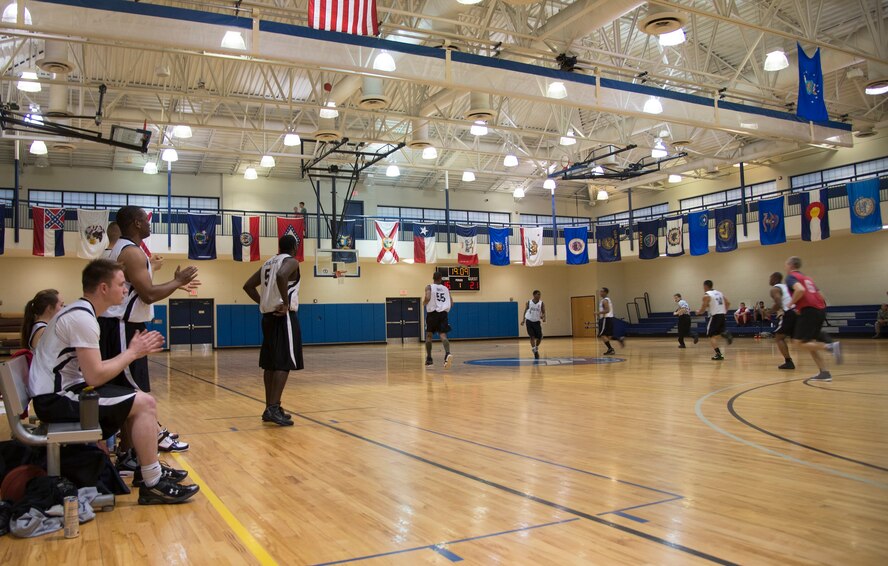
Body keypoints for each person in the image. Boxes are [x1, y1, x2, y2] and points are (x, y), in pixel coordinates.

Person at [29, 259, 199, 504]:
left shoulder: (82, 312)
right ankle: (152, 482)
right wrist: (133, 352)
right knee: (145, 403)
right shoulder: (82, 319)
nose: (126, 289)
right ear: (103, 288)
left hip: (59, 393)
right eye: (121, 284)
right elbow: (95, 376)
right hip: (56, 399)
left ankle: (146, 470)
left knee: (133, 396)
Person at [98, 206, 198, 456]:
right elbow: (149, 294)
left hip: (123, 326)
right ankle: (143, 446)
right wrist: (178, 282)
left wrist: (170, 281)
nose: (149, 222)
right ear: (136, 223)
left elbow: (143, 288)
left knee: (127, 394)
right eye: (145, 219)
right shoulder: (131, 252)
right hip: (123, 327)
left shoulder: (126, 250)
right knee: (134, 392)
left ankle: (128, 451)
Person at [243, 234, 304, 426]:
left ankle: (271, 407)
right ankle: (273, 408)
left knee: (270, 364)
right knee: (283, 363)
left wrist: (263, 301)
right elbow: (281, 275)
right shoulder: (291, 261)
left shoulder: (268, 263)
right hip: (282, 317)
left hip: (268, 318)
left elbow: (248, 286)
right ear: (294, 247)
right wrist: (285, 304)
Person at [784, 256, 841, 381]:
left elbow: (800, 290)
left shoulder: (791, 277)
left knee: (797, 342)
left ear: (791, 265)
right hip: (820, 309)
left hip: (809, 310)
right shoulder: (807, 278)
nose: (785, 267)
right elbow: (820, 295)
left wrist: (791, 303)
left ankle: (830, 347)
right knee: (809, 342)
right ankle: (824, 372)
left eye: (786, 264)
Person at [697, 280, 733, 360]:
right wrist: (724, 312)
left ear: (705, 286)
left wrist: (698, 312)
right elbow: (728, 303)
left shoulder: (707, 295)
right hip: (722, 315)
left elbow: (703, 308)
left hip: (715, 316)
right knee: (716, 335)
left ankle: (719, 354)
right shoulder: (719, 293)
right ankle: (724, 334)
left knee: (711, 336)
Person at [423, 270, 453, 368]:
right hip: (443, 314)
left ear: (433, 278)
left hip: (432, 314)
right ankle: (447, 353)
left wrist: (424, 303)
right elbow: (452, 303)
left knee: (429, 336)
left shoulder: (429, 287)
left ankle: (429, 358)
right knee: (443, 335)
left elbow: (427, 297)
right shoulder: (446, 289)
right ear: (441, 279)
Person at [769, 272, 796, 370]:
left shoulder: (775, 288)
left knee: (779, 337)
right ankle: (827, 343)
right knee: (799, 340)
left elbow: (778, 300)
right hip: (797, 311)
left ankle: (788, 362)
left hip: (789, 312)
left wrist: (771, 311)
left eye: (770, 277)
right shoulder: (786, 287)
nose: (769, 280)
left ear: (775, 278)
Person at [596, 287, 624, 356]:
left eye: (602, 291)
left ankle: (610, 349)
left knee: (602, 335)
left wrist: (597, 313)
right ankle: (619, 339)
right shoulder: (607, 300)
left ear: (605, 292)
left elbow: (607, 310)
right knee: (608, 336)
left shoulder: (605, 301)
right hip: (610, 319)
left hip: (605, 319)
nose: (600, 293)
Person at [521, 290, 546, 359]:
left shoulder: (541, 303)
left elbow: (543, 312)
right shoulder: (529, 302)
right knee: (532, 336)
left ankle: (536, 347)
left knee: (540, 337)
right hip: (529, 321)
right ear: (534, 295)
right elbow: (525, 311)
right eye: (538, 294)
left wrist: (543, 317)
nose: (539, 296)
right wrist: (523, 320)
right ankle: (535, 351)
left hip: (537, 322)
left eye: (540, 294)